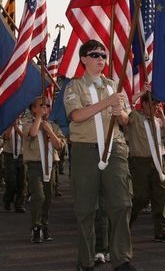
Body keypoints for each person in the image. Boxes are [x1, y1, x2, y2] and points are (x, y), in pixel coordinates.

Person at [63, 40, 134, 271]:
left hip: (114, 149)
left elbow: (125, 120)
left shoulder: (113, 85)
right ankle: (86, 261)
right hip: (86, 151)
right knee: (86, 209)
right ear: (83, 59)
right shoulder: (75, 86)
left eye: (103, 55)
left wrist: (119, 111)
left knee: (121, 204)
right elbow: (76, 116)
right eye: (94, 54)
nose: (100, 58)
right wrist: (107, 103)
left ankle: (121, 258)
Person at [126, 89, 165, 243]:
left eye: (158, 104)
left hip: (159, 162)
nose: (156, 106)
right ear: (145, 104)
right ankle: (125, 226)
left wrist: (162, 117)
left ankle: (161, 231)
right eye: (153, 103)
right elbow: (125, 105)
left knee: (161, 196)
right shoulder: (135, 117)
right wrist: (141, 93)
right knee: (140, 197)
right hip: (140, 163)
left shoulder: (159, 121)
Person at [22, 96, 65, 243]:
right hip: (35, 165)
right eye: (40, 106)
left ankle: (44, 225)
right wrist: (39, 119)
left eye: (46, 106)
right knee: (38, 196)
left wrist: (50, 131)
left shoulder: (53, 125)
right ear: (33, 109)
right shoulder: (28, 124)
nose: (44, 108)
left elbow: (59, 145)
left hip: (50, 165)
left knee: (48, 198)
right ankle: (35, 226)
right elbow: (32, 134)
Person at [1, 118, 26, 213]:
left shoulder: (26, 123)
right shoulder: (7, 122)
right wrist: (11, 126)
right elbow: (5, 138)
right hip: (9, 155)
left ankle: (19, 204)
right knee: (11, 181)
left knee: (22, 182)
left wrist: (17, 128)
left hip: (22, 155)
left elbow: (27, 139)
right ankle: (8, 199)